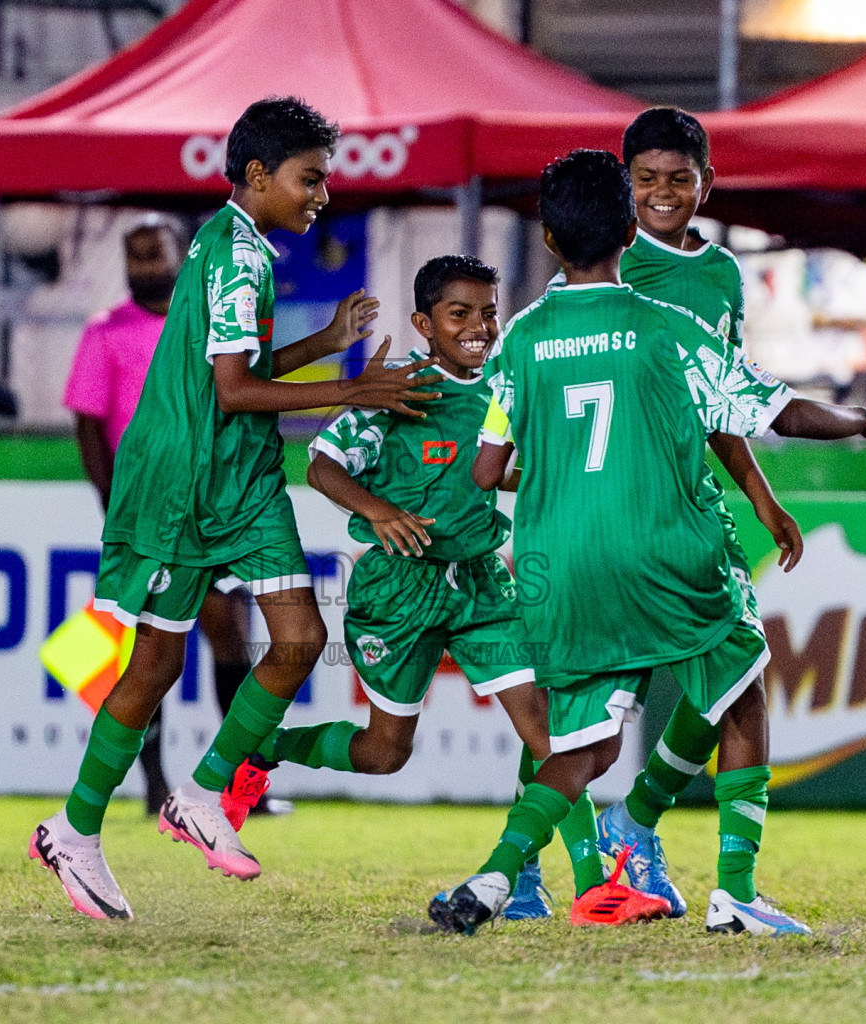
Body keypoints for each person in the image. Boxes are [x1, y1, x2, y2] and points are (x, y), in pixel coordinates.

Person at [428, 149, 866, 937]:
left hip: (561, 563)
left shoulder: (519, 337)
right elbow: (773, 411)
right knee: (742, 686)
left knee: (583, 745)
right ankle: (736, 892)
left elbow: (486, 470)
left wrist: (556, 479)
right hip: (663, 550)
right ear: (626, 230)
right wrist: (857, 418)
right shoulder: (665, 328)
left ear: (548, 238)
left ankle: (495, 875)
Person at [28, 96, 437, 920]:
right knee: (156, 664)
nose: (321, 196)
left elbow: (243, 368)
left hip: (238, 474)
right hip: (189, 481)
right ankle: (76, 830)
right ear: (258, 175)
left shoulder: (234, 243)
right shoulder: (237, 256)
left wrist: (322, 345)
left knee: (298, 637)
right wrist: (355, 386)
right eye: (309, 179)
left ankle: (202, 792)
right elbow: (234, 389)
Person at [255, 255, 654, 925]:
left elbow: (492, 472)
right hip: (397, 591)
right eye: (460, 314)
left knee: (548, 726)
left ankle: (591, 887)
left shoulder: (504, 382)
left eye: (489, 312)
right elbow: (322, 463)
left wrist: (569, 483)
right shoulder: (401, 386)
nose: (479, 326)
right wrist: (380, 512)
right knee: (385, 753)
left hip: (479, 584)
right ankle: (272, 747)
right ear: (424, 323)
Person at [591, 106, 806, 918]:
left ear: (706, 184)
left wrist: (762, 496)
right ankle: (690, 866)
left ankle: (631, 827)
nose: (663, 194)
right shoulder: (603, 265)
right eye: (646, 180)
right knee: (591, 700)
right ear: (625, 186)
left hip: (688, 505)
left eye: (679, 179)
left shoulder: (720, 276)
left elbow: (719, 404)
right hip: (624, 510)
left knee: (726, 677)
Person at [62, 213, 258, 817]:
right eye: (135, 254)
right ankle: (152, 781)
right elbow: (89, 426)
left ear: (181, 252)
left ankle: (243, 788)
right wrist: (112, 501)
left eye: (155, 252)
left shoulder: (207, 323)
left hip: (211, 506)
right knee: (150, 648)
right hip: (146, 514)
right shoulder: (104, 332)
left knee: (228, 631)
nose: (144, 263)